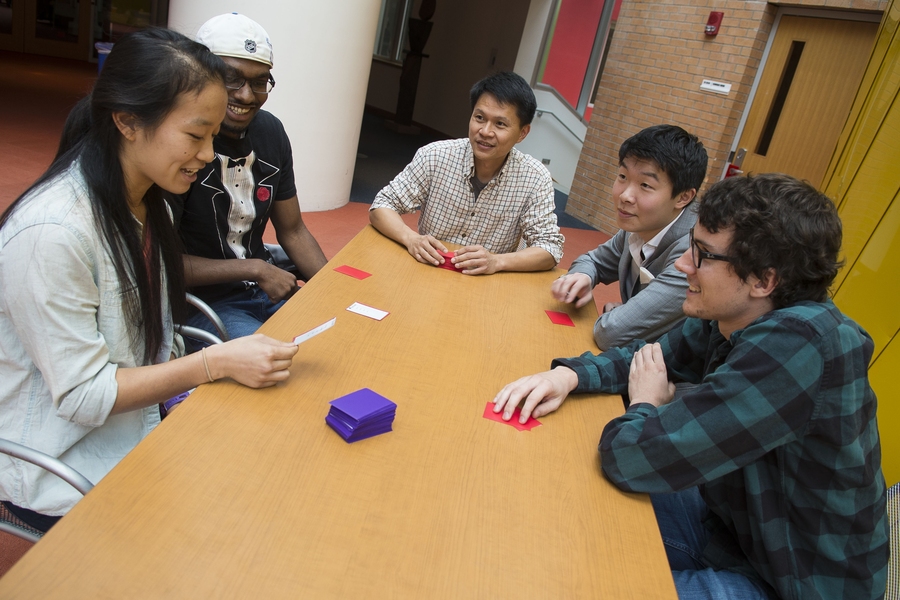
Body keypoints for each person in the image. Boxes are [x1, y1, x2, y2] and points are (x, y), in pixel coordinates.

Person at [492, 174, 889, 599]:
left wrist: (644, 404)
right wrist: (567, 375)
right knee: (563, 497)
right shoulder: (741, 313)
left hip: (788, 582)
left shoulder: (798, 346)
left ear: (763, 280)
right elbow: (653, 355)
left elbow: (631, 457)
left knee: (587, 581)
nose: (682, 266)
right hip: (733, 529)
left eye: (701, 255)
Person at [0, 28, 298, 533]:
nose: (207, 155)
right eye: (195, 135)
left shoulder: (146, 200)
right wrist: (214, 361)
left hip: (141, 426)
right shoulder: (52, 233)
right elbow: (84, 396)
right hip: (67, 467)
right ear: (128, 122)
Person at [175, 13, 328, 340]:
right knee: (276, 362)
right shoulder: (181, 141)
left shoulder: (270, 132)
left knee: (336, 340)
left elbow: (294, 230)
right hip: (203, 302)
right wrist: (255, 269)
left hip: (262, 287)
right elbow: (160, 263)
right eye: (232, 78)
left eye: (260, 81)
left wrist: (333, 292)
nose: (246, 95)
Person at [369, 71, 564, 275]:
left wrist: (496, 262)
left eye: (500, 124)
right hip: (430, 270)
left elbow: (550, 248)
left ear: (522, 133)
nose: (485, 131)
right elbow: (382, 205)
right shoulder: (435, 156)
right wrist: (411, 239)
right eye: (479, 118)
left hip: (488, 282)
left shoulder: (535, 178)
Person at [552, 124, 707, 350]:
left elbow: (612, 333)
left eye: (645, 185)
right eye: (622, 176)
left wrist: (623, 314)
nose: (625, 195)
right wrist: (584, 277)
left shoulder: (694, 251)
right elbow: (592, 261)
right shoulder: (640, 226)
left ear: (683, 197)